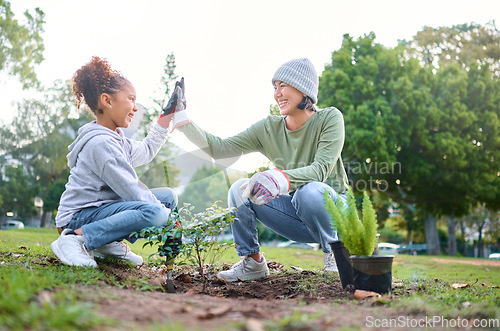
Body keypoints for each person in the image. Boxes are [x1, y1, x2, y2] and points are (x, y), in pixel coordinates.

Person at [171, 58, 349, 282]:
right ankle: (252, 262)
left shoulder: (330, 118)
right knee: (240, 189)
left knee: (309, 191)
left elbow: (320, 169)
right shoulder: (268, 128)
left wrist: (278, 178)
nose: (277, 93)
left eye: (282, 86)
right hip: (298, 215)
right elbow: (220, 148)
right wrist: (182, 120)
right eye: (274, 87)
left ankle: (336, 255)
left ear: (303, 89)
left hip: (336, 214)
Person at [51, 56, 182, 268]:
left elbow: (147, 150)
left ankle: (105, 242)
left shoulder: (117, 138)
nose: (135, 107)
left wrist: (165, 118)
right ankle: (75, 240)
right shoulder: (101, 144)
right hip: (76, 220)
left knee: (168, 197)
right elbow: (132, 190)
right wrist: (169, 220)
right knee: (157, 211)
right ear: (107, 101)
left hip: (99, 210)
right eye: (131, 99)